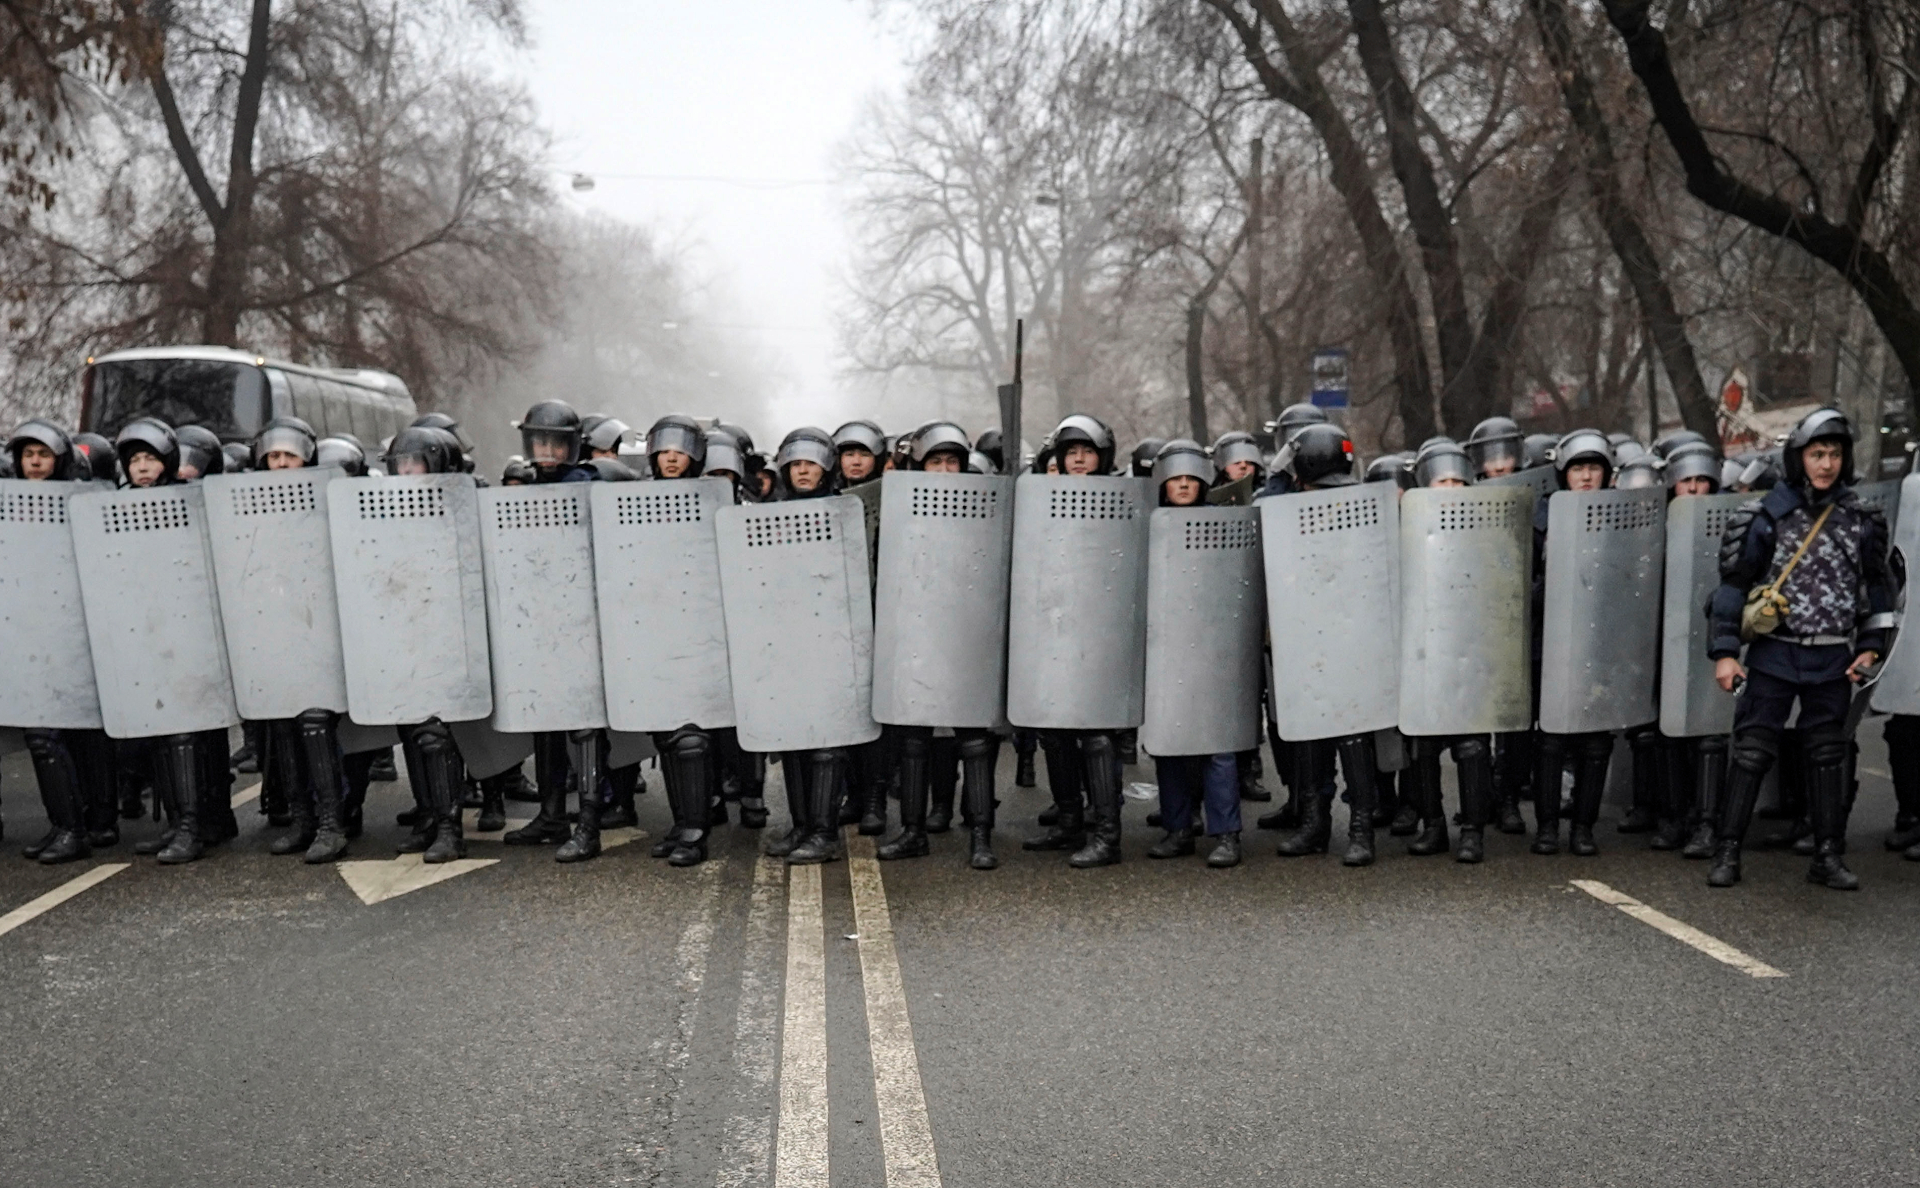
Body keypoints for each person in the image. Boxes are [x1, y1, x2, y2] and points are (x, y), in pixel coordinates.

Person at [1705, 408, 1898, 890]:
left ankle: (1828, 854)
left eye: (1834, 454)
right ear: (1800, 457)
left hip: (1832, 654)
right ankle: (1727, 850)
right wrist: (1725, 653)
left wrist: (1871, 647)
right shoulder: (1765, 515)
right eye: (1817, 453)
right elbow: (1733, 586)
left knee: (1829, 753)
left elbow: (1878, 587)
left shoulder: (1862, 519)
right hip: (1775, 652)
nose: (1827, 463)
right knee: (1751, 751)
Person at [877, 422, 1006, 869]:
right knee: (914, 737)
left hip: (968, 632)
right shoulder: (899, 506)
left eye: (953, 461)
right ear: (919, 465)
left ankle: (981, 835)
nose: (946, 470)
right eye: (937, 461)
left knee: (974, 739)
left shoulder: (985, 506)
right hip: (916, 631)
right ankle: (913, 831)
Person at [1021, 413, 1131, 868]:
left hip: (1103, 628)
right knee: (1055, 731)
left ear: (1102, 457)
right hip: (1055, 625)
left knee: (1097, 734)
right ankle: (1070, 822)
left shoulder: (1124, 500)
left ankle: (1108, 834)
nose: (1079, 460)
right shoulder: (1040, 501)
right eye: (1071, 453)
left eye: (1086, 452)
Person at [248, 418, 355, 863]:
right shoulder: (247, 503)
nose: (281, 464)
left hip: (319, 625)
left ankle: (333, 822)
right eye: (274, 456)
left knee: (314, 720)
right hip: (272, 625)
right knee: (281, 721)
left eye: (289, 455)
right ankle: (302, 818)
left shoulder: (331, 498)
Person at [1139, 439, 1245, 867]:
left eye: (1190, 479)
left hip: (1212, 645)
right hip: (1164, 647)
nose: (1183, 486)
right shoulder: (1149, 524)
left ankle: (1226, 834)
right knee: (1169, 743)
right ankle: (1178, 827)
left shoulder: (1224, 523)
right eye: (1175, 480)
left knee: (1218, 745)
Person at [1396, 439, 1500, 862]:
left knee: (1472, 745)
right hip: (1422, 652)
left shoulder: (1487, 526)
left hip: (1470, 651)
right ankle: (1433, 824)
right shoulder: (1404, 529)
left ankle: (1472, 830)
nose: (1452, 488)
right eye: (1443, 481)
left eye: (1460, 481)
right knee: (1422, 745)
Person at [1529, 429, 1618, 858]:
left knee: (1597, 740)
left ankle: (1583, 826)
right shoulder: (1541, 521)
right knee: (1551, 738)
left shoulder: (1622, 516)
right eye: (1578, 468)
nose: (1586, 477)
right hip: (1553, 641)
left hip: (1604, 642)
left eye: (1594, 468)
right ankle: (1547, 826)